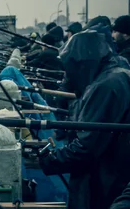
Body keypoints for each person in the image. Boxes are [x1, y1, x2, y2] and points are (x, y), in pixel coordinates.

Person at [39, 31, 130, 209]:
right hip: (117, 174)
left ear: (81, 64)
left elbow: (87, 147)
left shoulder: (106, 86)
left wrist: (49, 160)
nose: (68, 76)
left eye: (70, 69)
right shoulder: (119, 73)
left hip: (106, 181)